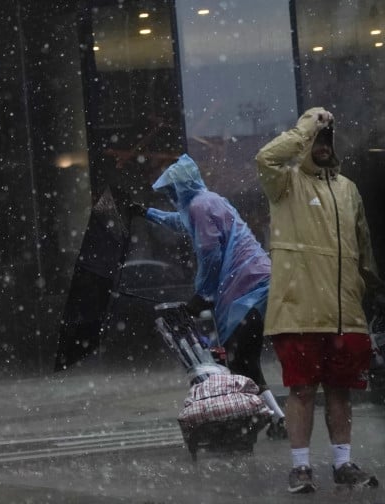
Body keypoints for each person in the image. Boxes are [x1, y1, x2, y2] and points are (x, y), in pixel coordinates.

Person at [256, 107, 382, 493]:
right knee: (302, 390)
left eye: (327, 140)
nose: (322, 146)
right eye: (316, 140)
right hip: (298, 311)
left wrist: (372, 290)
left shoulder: (348, 189)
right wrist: (309, 124)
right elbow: (265, 157)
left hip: (345, 314)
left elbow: (363, 249)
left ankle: (343, 463)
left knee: (341, 391)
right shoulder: (285, 183)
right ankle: (301, 467)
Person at [130, 154, 287, 440]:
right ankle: (275, 417)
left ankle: (277, 418)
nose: (171, 196)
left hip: (247, 287)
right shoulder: (203, 203)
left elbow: (210, 254)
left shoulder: (202, 206)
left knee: (241, 360)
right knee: (242, 361)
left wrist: (201, 295)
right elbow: (181, 222)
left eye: (172, 191)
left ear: (181, 187)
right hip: (251, 284)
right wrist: (147, 213)